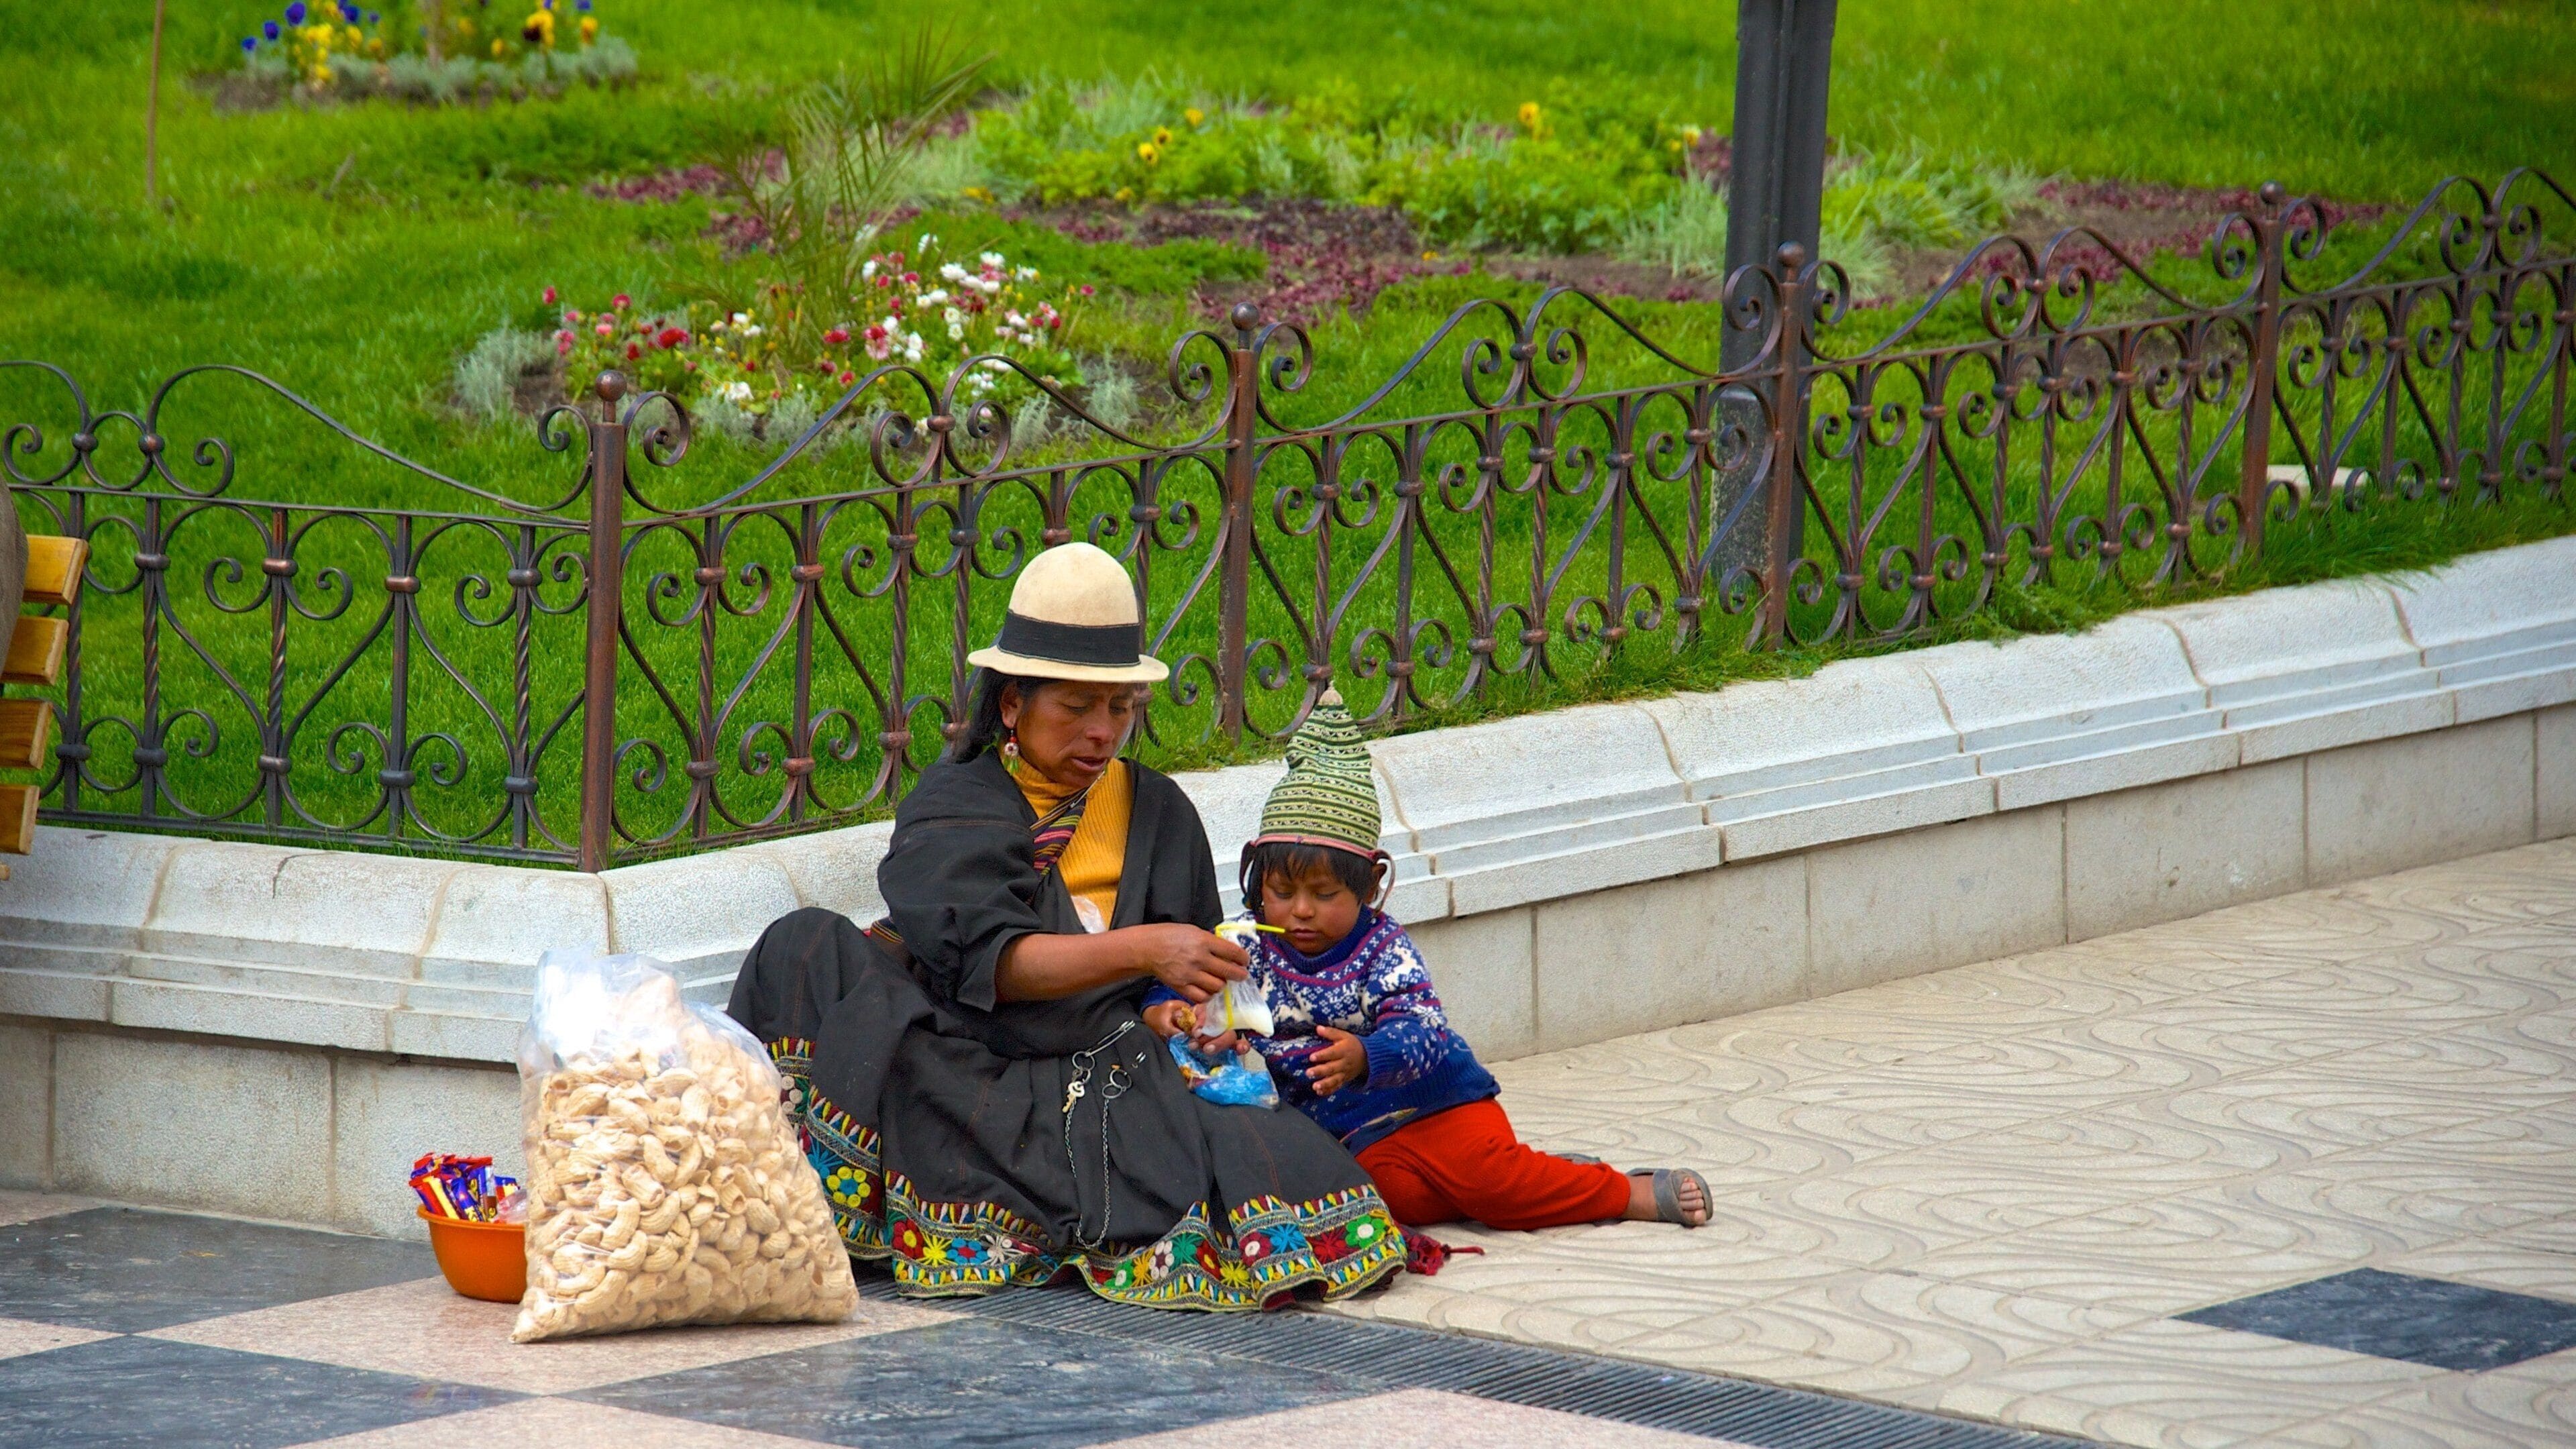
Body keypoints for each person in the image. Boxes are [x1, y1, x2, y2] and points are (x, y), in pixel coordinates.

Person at [726, 543, 1407, 1310]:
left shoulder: (1158, 811)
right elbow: (994, 964)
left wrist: (1192, 1014)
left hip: (1103, 1066)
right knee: (804, 948)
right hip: (960, 1048)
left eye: (1119, 708)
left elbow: (1181, 980)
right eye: (1076, 708)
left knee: (1269, 1163)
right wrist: (1146, 948)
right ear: (1012, 704)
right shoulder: (954, 804)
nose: (1101, 732)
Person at [1142, 690, 1714, 1232]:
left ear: (1370, 885)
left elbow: (1426, 1032)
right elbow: (1189, 984)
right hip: (1360, 1136)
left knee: (1489, 1183)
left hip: (1434, 1105)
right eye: (1282, 892)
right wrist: (1170, 1012)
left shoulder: (1382, 950)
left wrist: (1365, 1056)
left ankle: (1626, 1193)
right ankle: (1540, 1176)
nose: (1301, 911)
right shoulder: (1247, 947)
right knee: (1386, 1200)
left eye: (1325, 894)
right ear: (1256, 880)